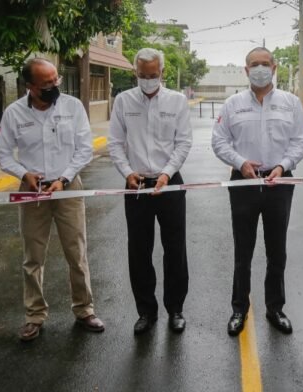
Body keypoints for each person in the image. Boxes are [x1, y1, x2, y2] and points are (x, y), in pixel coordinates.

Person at [0, 58, 104, 341]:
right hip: (32, 190)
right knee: (33, 257)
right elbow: (3, 153)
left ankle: (84, 309)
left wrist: (64, 178)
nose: (55, 85)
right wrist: (23, 173)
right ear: (30, 86)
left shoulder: (72, 106)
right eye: (46, 83)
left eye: (55, 79)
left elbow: (84, 149)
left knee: (76, 253)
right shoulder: (14, 113)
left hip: (68, 187)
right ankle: (34, 315)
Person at [212, 47, 303, 336]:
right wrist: (240, 163)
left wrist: (283, 165)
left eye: (264, 64)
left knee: (276, 250)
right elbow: (219, 142)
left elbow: (300, 141)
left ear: (274, 67)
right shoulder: (232, 104)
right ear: (245, 70)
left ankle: (275, 308)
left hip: (279, 182)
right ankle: (239, 308)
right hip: (243, 183)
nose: (259, 68)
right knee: (243, 250)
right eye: (254, 64)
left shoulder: (290, 103)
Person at [108, 48, 193, 335]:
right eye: (142, 76)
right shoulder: (123, 101)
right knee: (139, 250)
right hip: (137, 184)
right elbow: (115, 143)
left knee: (175, 249)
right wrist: (127, 172)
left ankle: (176, 309)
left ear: (162, 73)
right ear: (136, 73)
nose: (147, 80)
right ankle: (146, 311)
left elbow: (183, 142)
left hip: (169, 182)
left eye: (153, 75)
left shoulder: (177, 101)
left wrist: (167, 173)